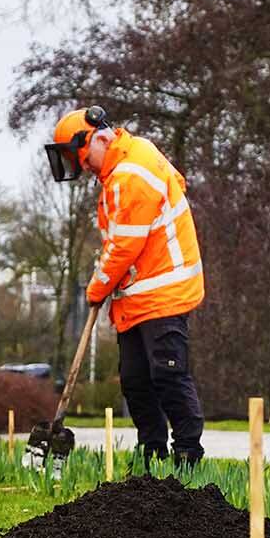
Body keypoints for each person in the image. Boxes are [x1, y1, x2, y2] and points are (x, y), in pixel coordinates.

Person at [44, 106, 206, 467]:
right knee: (135, 380)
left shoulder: (130, 173)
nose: (82, 166)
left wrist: (96, 288)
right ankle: (151, 451)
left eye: (81, 157)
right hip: (136, 295)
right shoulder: (124, 163)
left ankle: (187, 454)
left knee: (167, 373)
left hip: (164, 291)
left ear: (100, 138)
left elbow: (124, 246)